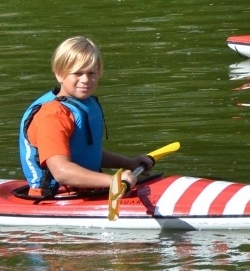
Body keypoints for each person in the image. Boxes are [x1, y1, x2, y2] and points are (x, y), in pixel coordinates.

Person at [18, 36, 157, 198]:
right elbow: (61, 172)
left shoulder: (83, 104)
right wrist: (112, 180)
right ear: (60, 75)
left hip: (86, 191)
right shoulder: (52, 115)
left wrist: (128, 163)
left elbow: (87, 153)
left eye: (91, 73)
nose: (85, 80)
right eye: (77, 73)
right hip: (56, 196)